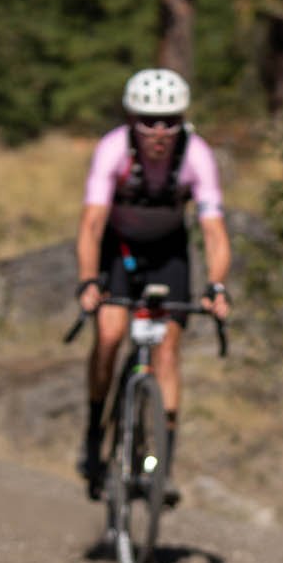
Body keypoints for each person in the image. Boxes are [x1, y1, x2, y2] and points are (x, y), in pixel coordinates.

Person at [74, 67, 232, 506]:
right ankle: (93, 435)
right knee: (109, 336)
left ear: (182, 120)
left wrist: (217, 285)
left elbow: (214, 231)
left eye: (170, 121)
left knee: (167, 350)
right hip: (117, 253)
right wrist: (89, 280)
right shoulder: (112, 150)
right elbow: (91, 223)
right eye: (148, 120)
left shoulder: (196, 155)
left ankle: (160, 465)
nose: (159, 131)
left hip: (169, 256)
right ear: (131, 119)